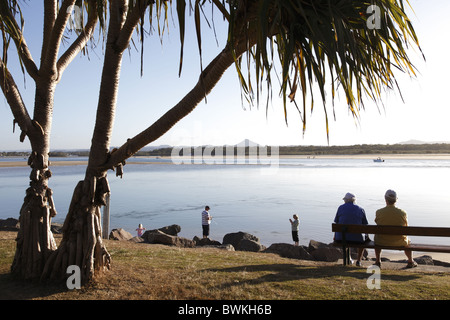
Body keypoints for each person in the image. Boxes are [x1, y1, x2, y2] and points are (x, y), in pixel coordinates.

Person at [374, 189, 417, 269]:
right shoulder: (402, 213)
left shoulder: (379, 212)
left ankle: (378, 261)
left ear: (385, 199)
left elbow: (377, 222)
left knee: (377, 238)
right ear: (396, 200)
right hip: (399, 242)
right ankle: (410, 261)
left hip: (382, 241)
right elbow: (406, 227)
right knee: (408, 241)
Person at [334, 192, 369, 266]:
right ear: (354, 200)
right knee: (362, 242)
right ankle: (359, 261)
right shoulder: (360, 209)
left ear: (345, 200)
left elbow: (336, 223)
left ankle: (349, 258)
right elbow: (365, 225)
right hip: (357, 239)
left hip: (341, 238)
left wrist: (335, 236)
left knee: (345, 236)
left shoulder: (340, 208)